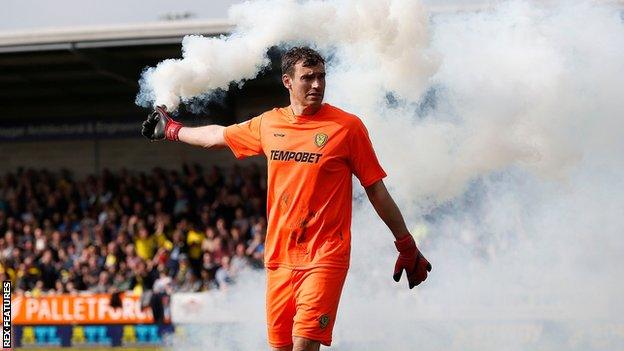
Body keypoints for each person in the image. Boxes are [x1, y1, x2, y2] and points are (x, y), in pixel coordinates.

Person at [141, 46, 432, 351]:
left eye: (321, 77)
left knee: (304, 345)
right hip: (279, 257)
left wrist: (406, 244)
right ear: (287, 82)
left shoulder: (347, 128)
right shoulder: (269, 123)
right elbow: (217, 136)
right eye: (308, 78)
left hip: (324, 255)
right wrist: (172, 129)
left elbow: (376, 189)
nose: (317, 85)